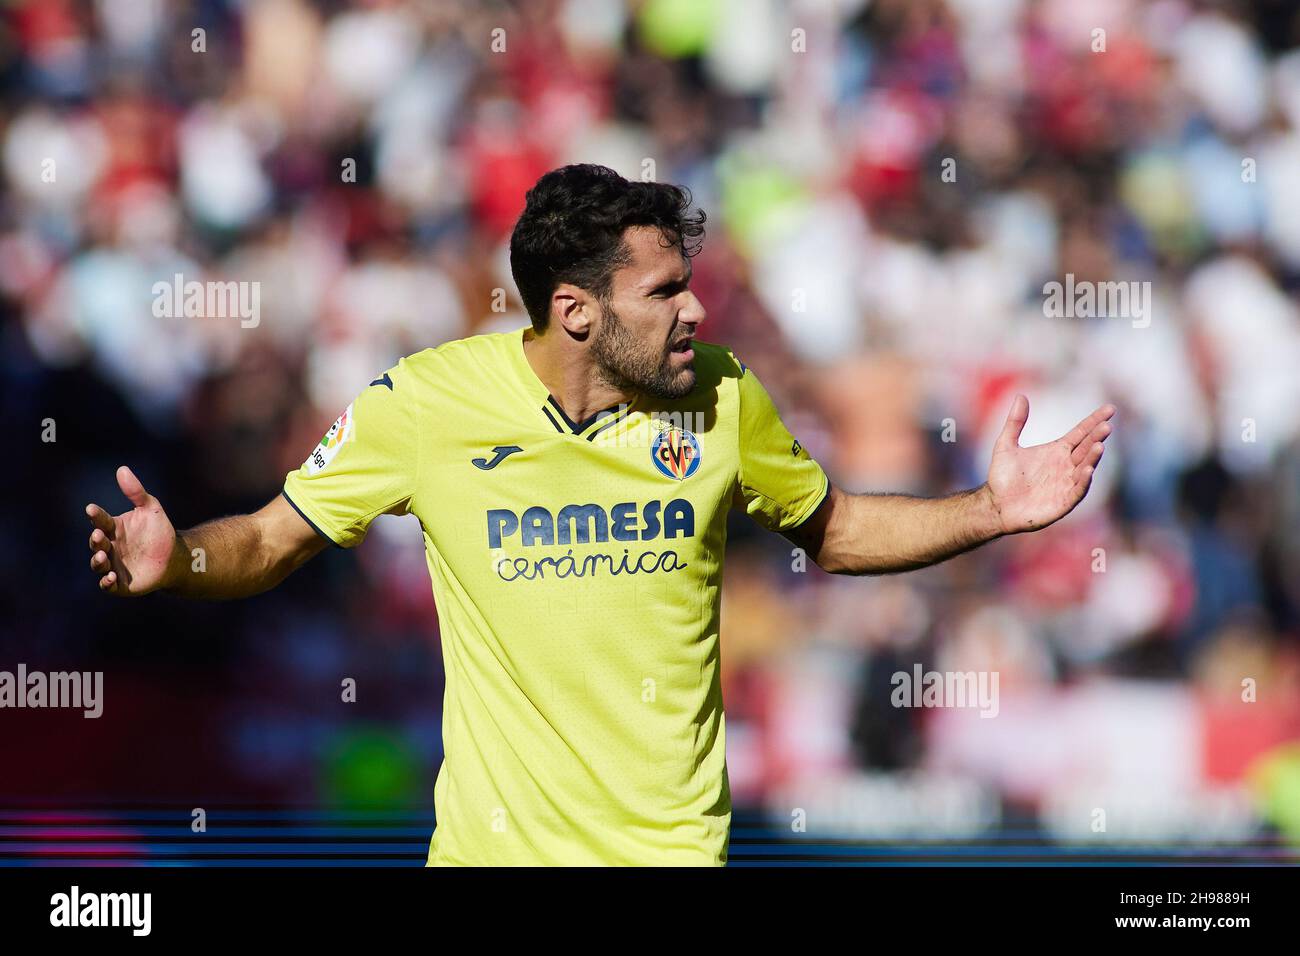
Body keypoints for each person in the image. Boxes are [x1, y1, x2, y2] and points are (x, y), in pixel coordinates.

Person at [84, 164, 1114, 865]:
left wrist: (987, 508)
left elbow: (836, 529)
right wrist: (182, 563)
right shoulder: (425, 405)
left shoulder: (723, 398)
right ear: (575, 310)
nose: (695, 311)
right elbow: (269, 536)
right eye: (664, 291)